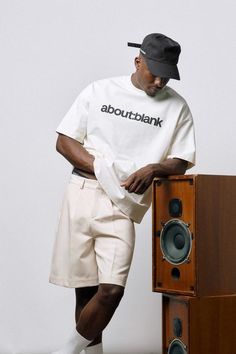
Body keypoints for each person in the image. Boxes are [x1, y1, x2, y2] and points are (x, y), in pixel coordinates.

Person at [49, 33, 196, 354]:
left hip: (124, 205)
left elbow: (181, 161)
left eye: (166, 74)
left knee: (111, 290)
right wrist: (103, 168)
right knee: (85, 292)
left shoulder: (176, 107)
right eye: (153, 70)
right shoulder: (100, 90)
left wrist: (153, 169)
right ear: (137, 61)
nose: (159, 80)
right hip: (83, 192)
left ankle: (68, 349)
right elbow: (65, 141)